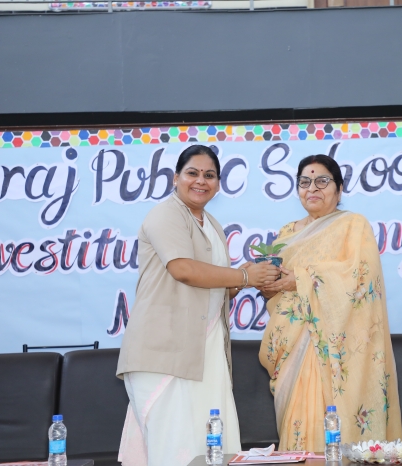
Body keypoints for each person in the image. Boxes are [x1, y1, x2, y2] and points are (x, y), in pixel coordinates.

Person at [116, 145, 280, 466]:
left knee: (210, 447)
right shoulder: (166, 213)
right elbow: (183, 270)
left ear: (218, 184)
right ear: (175, 178)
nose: (201, 181)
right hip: (165, 352)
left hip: (204, 352)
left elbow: (211, 291)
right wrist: (245, 276)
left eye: (209, 175)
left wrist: (248, 278)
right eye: (192, 173)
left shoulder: (211, 224)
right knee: (174, 448)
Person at [258, 154, 402, 451]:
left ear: (339, 189)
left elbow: (361, 275)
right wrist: (269, 285)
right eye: (304, 182)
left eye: (322, 181)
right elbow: (275, 293)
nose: (312, 188)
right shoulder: (286, 233)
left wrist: (301, 278)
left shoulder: (353, 225)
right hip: (291, 343)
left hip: (332, 345)